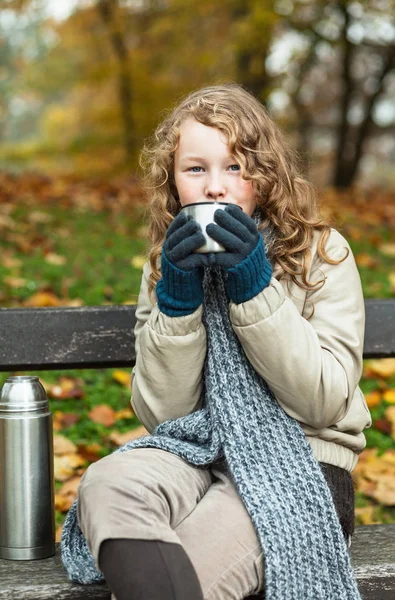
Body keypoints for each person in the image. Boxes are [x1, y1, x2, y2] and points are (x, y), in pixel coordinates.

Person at [62, 83, 372, 600]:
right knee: (109, 484)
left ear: (265, 176)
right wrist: (178, 304)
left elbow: (324, 401)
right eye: (196, 168)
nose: (216, 188)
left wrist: (255, 290)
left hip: (300, 464)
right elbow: (163, 415)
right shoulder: (166, 265)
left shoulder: (321, 253)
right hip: (196, 449)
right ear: (173, 181)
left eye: (236, 167)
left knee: (187, 571)